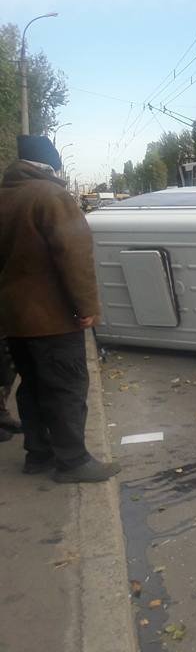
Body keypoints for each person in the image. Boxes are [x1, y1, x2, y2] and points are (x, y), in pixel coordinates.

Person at [0, 135, 119, 482]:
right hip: (52, 318)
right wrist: (86, 307)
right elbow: (75, 256)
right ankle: (73, 461)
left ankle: (38, 454)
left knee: (33, 387)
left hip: (15, 319)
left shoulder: (6, 196)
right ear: (50, 165)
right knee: (66, 387)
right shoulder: (52, 196)